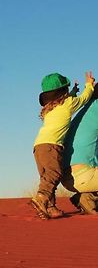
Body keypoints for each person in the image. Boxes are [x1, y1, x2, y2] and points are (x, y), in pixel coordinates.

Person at [31, 71, 95, 219]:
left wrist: (73, 92)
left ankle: (50, 207)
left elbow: (67, 100)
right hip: (52, 146)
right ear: (63, 92)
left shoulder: (50, 108)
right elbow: (84, 99)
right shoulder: (68, 104)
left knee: (46, 177)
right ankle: (41, 198)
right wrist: (89, 85)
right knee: (55, 173)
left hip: (38, 146)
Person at [62, 85, 98, 214]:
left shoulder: (87, 110)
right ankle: (88, 197)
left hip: (69, 177)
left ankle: (86, 197)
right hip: (83, 174)